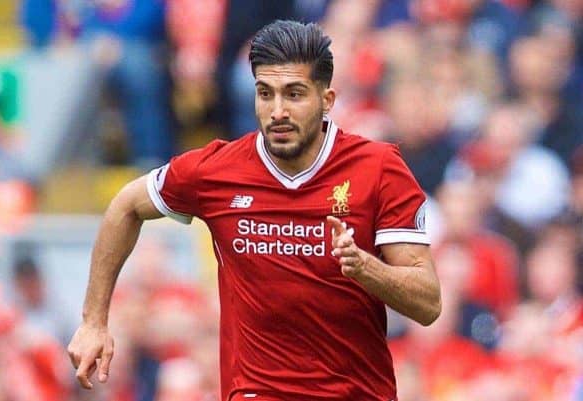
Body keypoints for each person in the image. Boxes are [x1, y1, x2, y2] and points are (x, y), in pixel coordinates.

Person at [68, 20, 441, 401]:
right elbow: (125, 207)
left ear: (326, 101)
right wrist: (94, 321)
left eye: (294, 95)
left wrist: (366, 268)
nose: (277, 111)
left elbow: (428, 303)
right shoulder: (216, 170)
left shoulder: (378, 169)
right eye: (265, 93)